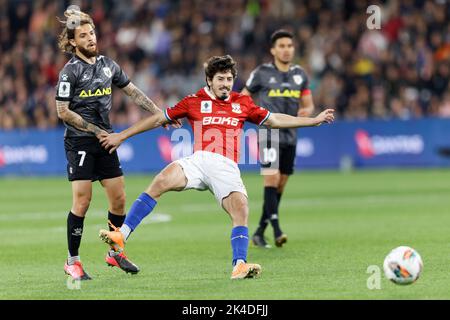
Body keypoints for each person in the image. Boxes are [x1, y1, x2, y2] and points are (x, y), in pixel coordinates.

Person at [98, 55, 334, 279]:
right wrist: (122, 136)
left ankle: (239, 265)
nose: (225, 84)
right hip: (199, 160)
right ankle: (121, 235)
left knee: (240, 210)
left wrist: (313, 120)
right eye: (220, 79)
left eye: (229, 79)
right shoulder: (193, 101)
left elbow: (275, 119)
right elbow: (158, 119)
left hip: (225, 166)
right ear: (209, 80)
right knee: (161, 180)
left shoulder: (243, 103)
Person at [55, 9, 167, 280]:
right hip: (80, 142)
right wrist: (95, 130)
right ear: (72, 43)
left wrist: (159, 115)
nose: (91, 38)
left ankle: (115, 253)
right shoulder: (69, 72)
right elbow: (63, 111)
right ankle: (73, 261)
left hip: (106, 141)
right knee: (82, 201)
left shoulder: (108, 65)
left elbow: (132, 92)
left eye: (92, 32)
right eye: (83, 35)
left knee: (118, 199)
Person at [242, 29, 315, 248]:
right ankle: (276, 230)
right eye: (281, 46)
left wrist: (306, 112)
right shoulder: (262, 73)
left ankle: (259, 231)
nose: (286, 50)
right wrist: (256, 114)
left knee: (281, 184)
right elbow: (245, 97)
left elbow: (308, 103)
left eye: (289, 46)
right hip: (269, 133)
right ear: (273, 50)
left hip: (291, 134)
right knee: (271, 180)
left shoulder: (300, 74)